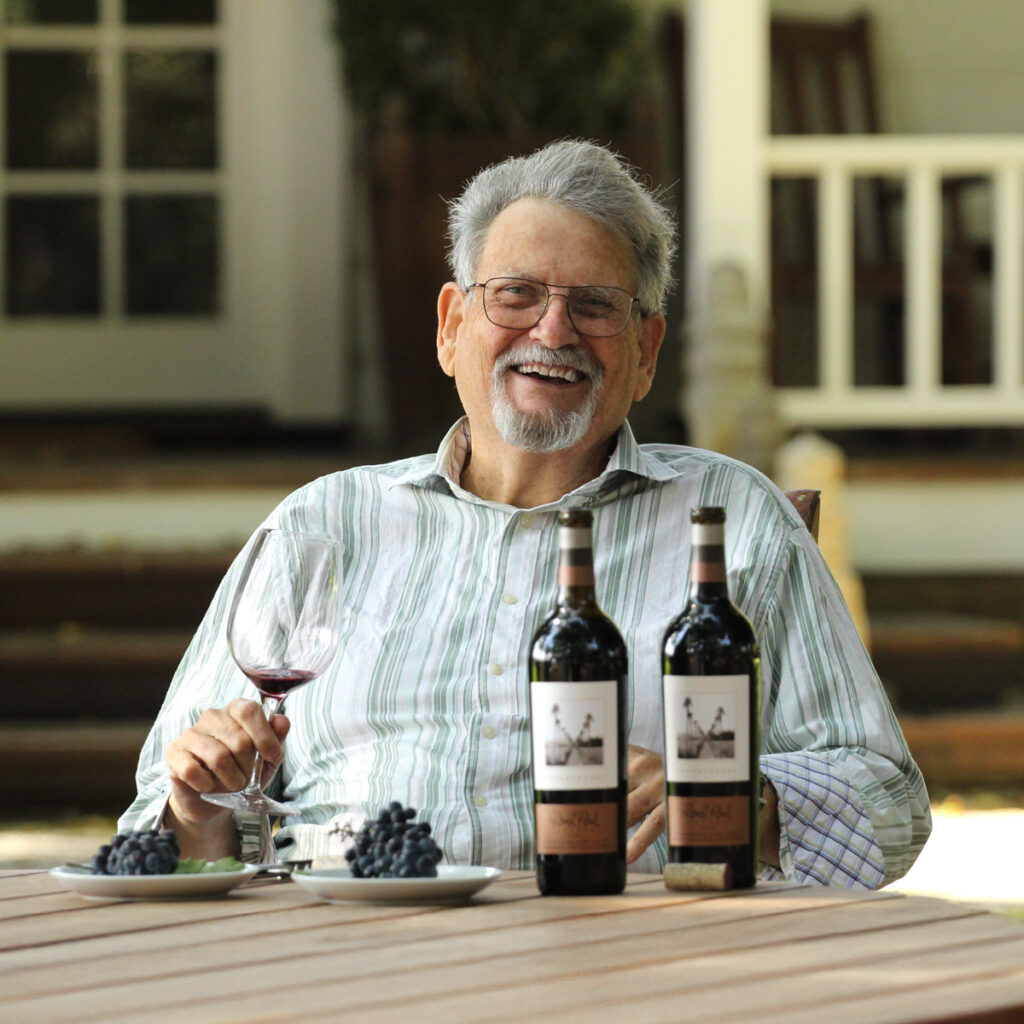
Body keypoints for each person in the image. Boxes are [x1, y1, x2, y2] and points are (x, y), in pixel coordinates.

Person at [121, 139, 930, 886]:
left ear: (646, 353)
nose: (553, 330)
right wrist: (198, 810)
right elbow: (169, 808)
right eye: (515, 295)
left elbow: (889, 800)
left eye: (595, 306)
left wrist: (737, 798)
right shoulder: (322, 526)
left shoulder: (730, 523)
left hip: (628, 967)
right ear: (451, 327)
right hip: (345, 961)